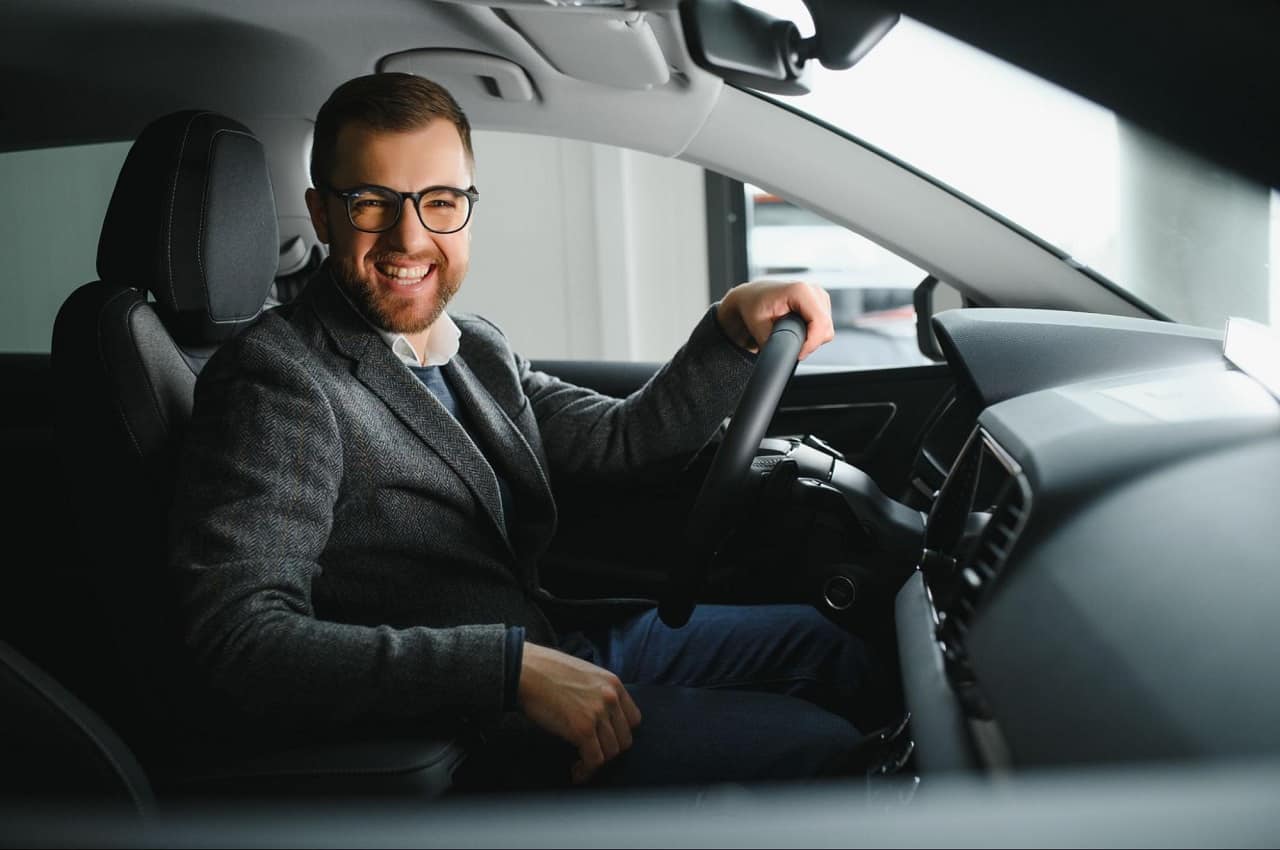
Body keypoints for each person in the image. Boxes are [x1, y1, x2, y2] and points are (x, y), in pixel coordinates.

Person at [171, 72, 879, 790]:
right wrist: (505, 672)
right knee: (824, 752)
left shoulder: (470, 346)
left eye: (440, 202)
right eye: (373, 203)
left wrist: (729, 328)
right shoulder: (276, 380)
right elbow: (241, 641)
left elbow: (621, 443)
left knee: (829, 648)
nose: (410, 237)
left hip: (548, 647)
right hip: (467, 724)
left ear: (467, 210)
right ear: (322, 215)